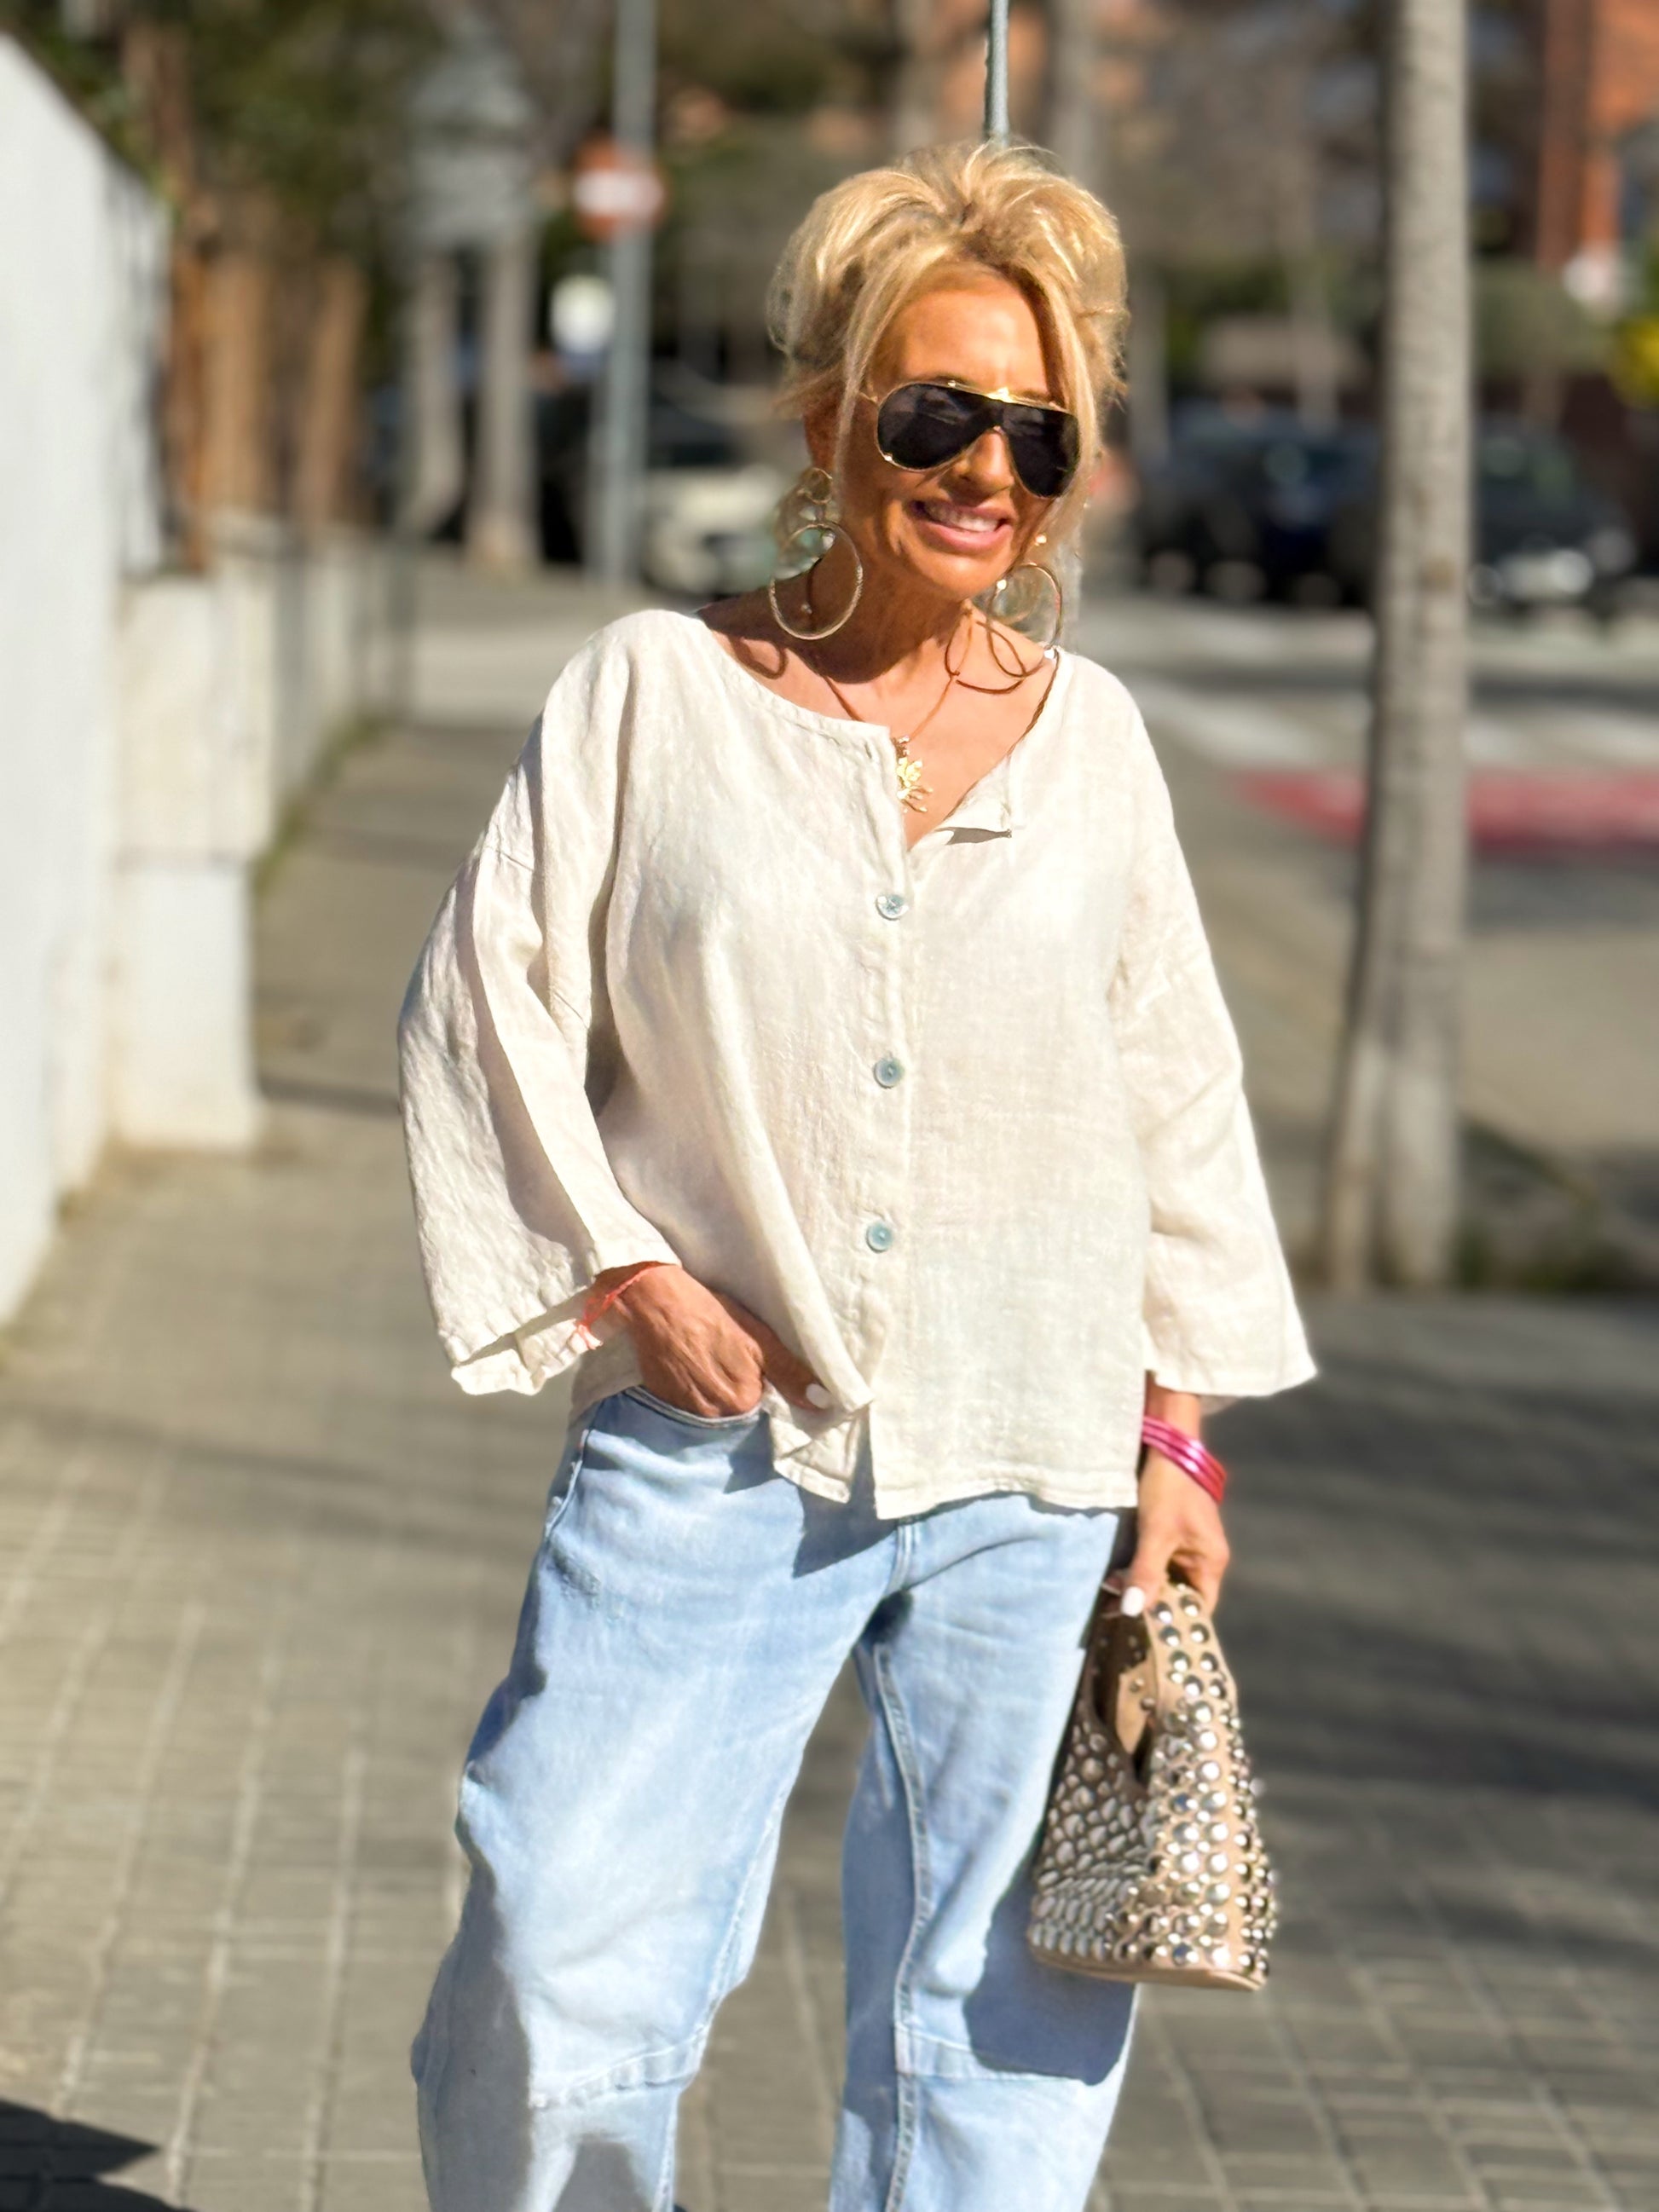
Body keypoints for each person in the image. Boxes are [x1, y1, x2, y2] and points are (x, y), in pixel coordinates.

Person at [398, 139, 1313, 2212]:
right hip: (721, 1439)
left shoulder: (1096, 742)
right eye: (937, 412)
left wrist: (1181, 1436)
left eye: (1036, 432)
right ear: (829, 419)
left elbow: (1171, 1091)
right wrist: (623, 1274)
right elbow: (482, 995)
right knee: (556, 1943)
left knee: (995, 2024)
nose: (985, 465)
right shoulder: (653, 694)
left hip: (1038, 1455)